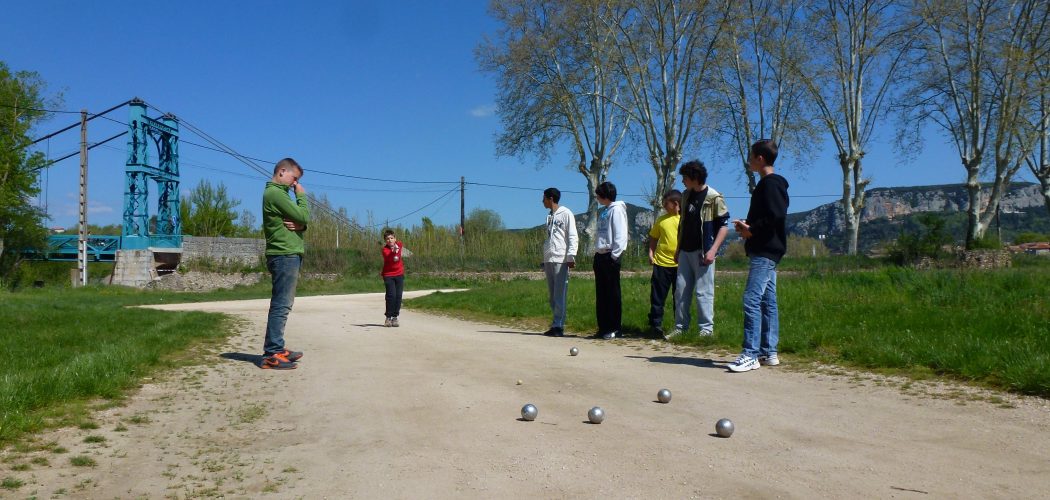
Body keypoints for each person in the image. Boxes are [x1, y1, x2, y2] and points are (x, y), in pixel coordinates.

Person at [729, 139, 790, 372]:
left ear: (760, 158)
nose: (749, 160)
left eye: (751, 156)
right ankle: (768, 352)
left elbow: (776, 215)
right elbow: (771, 215)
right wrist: (748, 225)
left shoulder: (770, 184)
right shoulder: (770, 185)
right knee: (767, 301)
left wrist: (751, 230)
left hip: (765, 251)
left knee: (751, 299)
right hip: (767, 249)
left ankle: (750, 354)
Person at [666, 160, 730, 340]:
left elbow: (723, 226)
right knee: (680, 290)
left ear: (695, 178)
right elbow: (683, 224)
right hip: (685, 251)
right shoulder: (686, 195)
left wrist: (713, 250)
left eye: (685, 177)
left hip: (704, 252)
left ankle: (706, 331)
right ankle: (680, 328)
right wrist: (678, 249)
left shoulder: (714, 197)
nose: (683, 181)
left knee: (704, 292)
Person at [260, 158, 310, 370]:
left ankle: (277, 348)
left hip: (287, 254)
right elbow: (303, 215)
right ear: (282, 171)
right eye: (294, 178)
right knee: (281, 304)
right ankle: (272, 353)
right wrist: (302, 197)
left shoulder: (280, 194)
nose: (295, 183)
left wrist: (301, 226)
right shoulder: (275, 194)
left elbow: (299, 221)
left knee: (283, 304)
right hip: (284, 255)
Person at [592, 181, 629, 340]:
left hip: (610, 256)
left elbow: (620, 235)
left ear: (604, 195)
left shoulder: (617, 210)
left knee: (612, 294)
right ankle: (603, 327)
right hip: (600, 255)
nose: (597, 197)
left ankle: (615, 328)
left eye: (598, 194)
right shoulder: (604, 211)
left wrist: (614, 256)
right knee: (601, 294)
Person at [541, 188, 579, 337]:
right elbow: (550, 238)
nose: (542, 201)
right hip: (549, 258)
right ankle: (555, 323)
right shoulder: (549, 216)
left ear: (551, 199)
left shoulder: (566, 213)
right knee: (552, 294)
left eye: (543, 198)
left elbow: (572, 235)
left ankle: (559, 325)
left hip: (561, 258)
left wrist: (571, 256)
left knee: (559, 293)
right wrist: (544, 258)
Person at [647, 190, 682, 336]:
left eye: (665, 204)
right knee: (657, 296)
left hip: (681, 265)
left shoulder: (685, 220)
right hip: (661, 263)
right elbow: (654, 238)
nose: (663, 206)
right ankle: (656, 325)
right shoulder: (661, 220)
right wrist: (651, 253)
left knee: (679, 297)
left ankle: (679, 326)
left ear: (676, 204)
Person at [381, 228, 407, 327]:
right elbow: (391, 259)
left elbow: (399, 249)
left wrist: (396, 248)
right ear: (385, 241)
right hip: (388, 275)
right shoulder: (385, 250)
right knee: (391, 296)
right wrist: (394, 251)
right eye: (387, 239)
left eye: (392, 238)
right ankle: (388, 317)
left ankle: (395, 317)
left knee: (398, 296)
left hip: (399, 274)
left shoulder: (399, 245)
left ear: (395, 239)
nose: (390, 240)